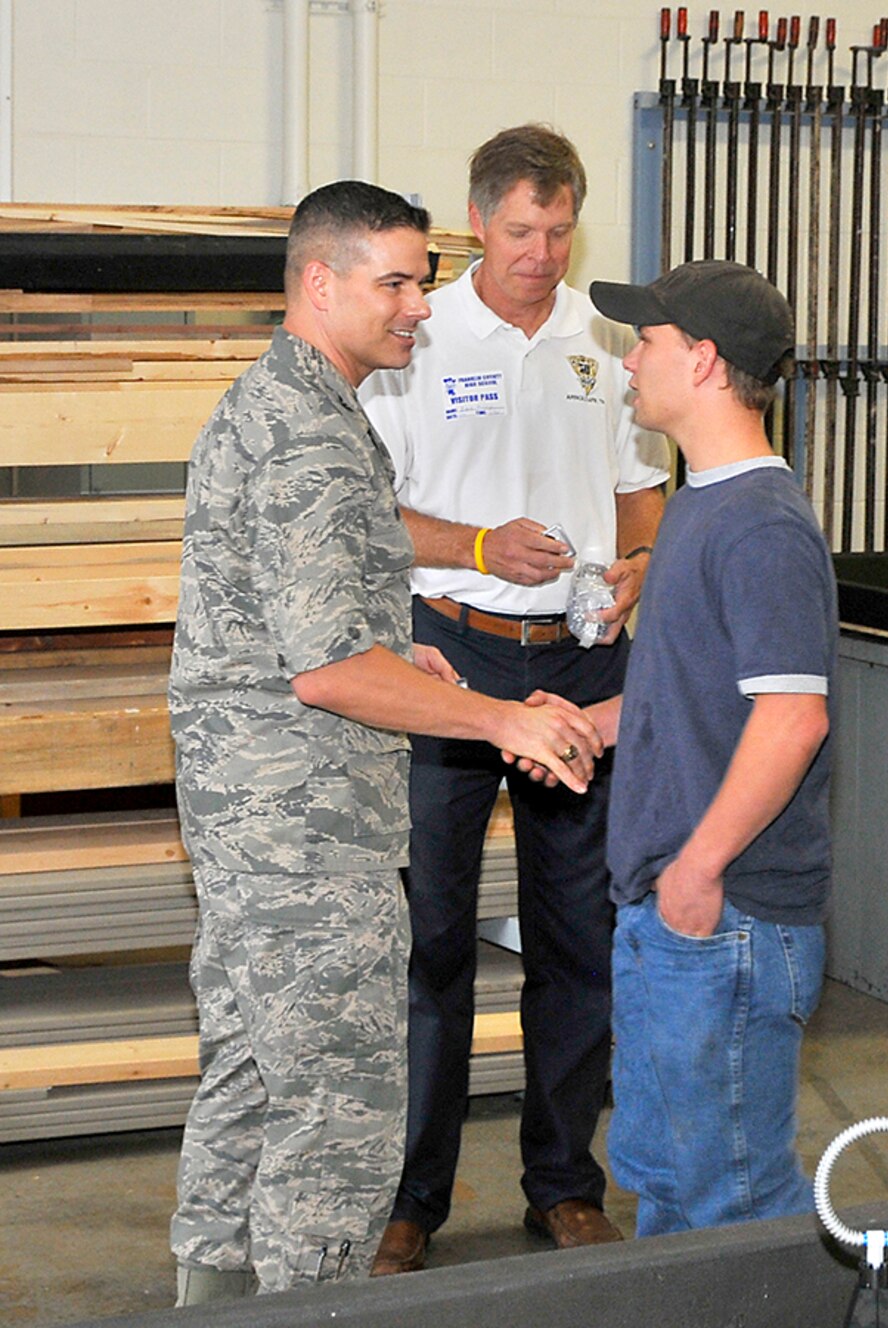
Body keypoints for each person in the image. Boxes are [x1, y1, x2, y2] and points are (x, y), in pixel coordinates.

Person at [168, 180, 602, 1303]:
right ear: (321, 282)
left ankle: (207, 1292)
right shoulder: (309, 430)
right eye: (396, 282)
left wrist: (399, 655)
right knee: (334, 1112)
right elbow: (320, 669)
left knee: (252, 1079)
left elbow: (292, 617)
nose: (419, 305)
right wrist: (504, 714)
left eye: (420, 279)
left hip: (258, 818)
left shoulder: (301, 404)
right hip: (303, 833)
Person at [359, 125, 667, 1272]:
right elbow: (373, 515)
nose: (540, 253)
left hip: (582, 661)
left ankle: (562, 1183)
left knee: (575, 932)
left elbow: (644, 490)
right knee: (433, 937)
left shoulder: (609, 339)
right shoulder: (417, 340)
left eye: (559, 230)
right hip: (449, 654)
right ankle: (411, 1199)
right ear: (478, 223)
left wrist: (636, 564)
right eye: (520, 230)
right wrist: (480, 540)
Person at [580, 260, 835, 1235]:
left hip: (723, 916)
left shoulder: (762, 524)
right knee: (667, 1181)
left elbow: (790, 718)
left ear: (701, 360)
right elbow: (698, 695)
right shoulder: (696, 504)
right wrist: (596, 726)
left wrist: (700, 862)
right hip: (669, 908)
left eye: (644, 341)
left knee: (734, 1202)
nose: (629, 361)